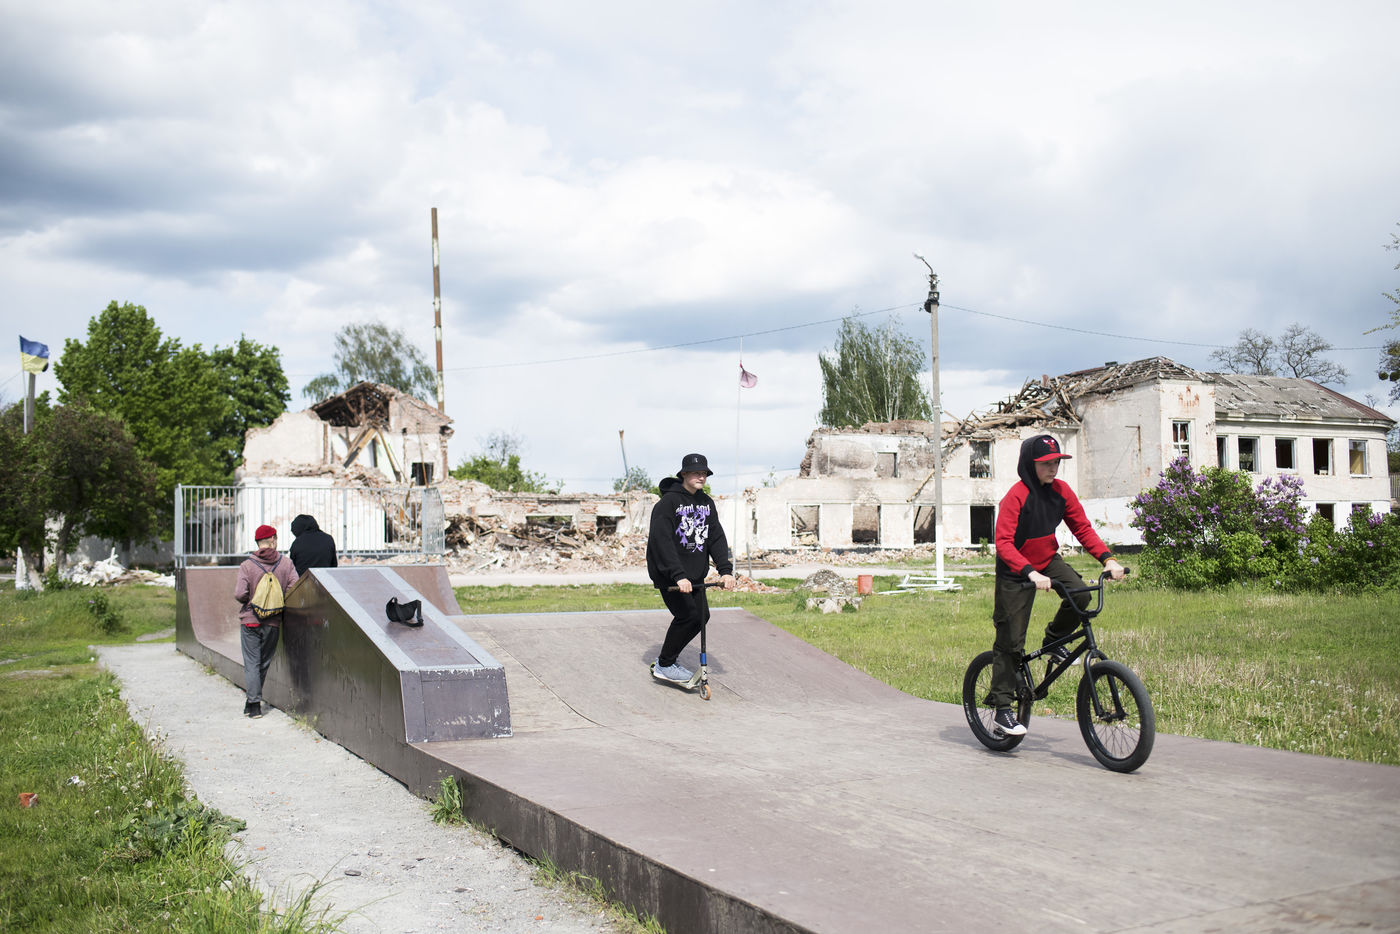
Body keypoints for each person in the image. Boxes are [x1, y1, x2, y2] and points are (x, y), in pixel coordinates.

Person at [989, 434, 1125, 736]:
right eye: (1046, 463)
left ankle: (1054, 641)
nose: (1053, 468)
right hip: (1016, 571)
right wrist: (1030, 573)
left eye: (1056, 462)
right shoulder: (1016, 496)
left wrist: (1108, 559)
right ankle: (1002, 709)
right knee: (1011, 641)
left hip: (1047, 560)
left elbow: (1082, 528)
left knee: (1081, 595)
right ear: (1030, 464)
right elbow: (1004, 543)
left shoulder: (1062, 491)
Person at [646, 453, 736, 682]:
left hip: (694, 575)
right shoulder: (667, 503)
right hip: (671, 576)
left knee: (701, 617)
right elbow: (662, 542)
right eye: (696, 473)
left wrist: (725, 570)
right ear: (684, 474)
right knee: (688, 616)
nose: (701, 477)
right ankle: (665, 664)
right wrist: (677, 575)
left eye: (704, 473)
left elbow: (715, 537)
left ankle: (666, 661)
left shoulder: (707, 503)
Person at [233, 524, 299, 718]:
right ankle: (252, 702)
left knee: (252, 663)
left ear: (257, 542)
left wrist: (252, 600)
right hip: (273, 621)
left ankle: (253, 704)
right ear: (272, 539)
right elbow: (294, 587)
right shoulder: (286, 564)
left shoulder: (247, 565)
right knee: (263, 662)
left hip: (250, 620)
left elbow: (239, 593)